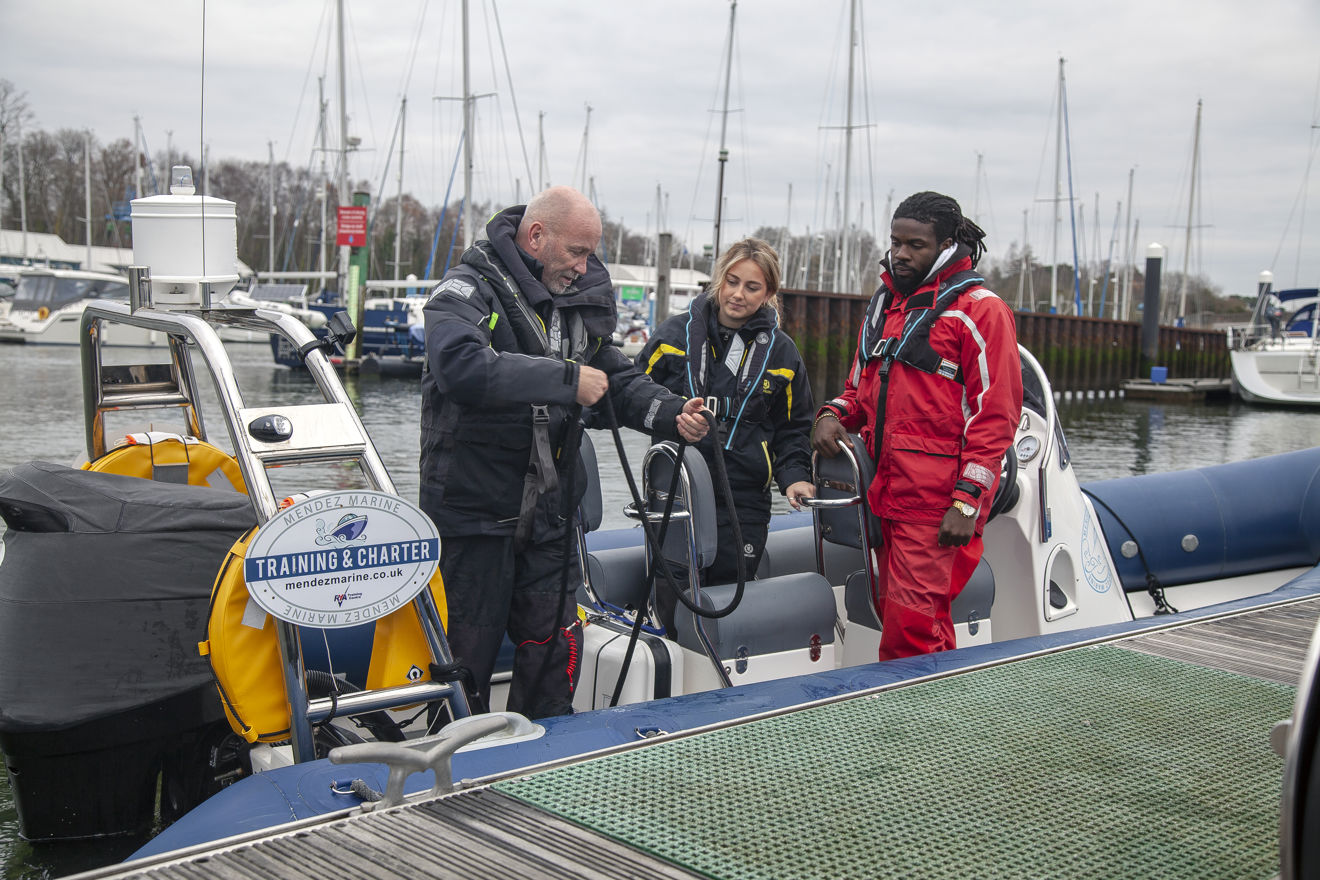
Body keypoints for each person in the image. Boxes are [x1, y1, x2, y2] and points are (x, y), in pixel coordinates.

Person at [418, 185, 709, 719]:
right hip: (475, 514)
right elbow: (459, 365)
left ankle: (545, 754)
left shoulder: (579, 303)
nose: (584, 265)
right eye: (577, 251)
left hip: (551, 513)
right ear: (536, 236)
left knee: (553, 650)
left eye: (590, 252)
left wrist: (671, 413)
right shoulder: (465, 289)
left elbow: (615, 379)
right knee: (464, 658)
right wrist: (566, 379)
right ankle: (457, 763)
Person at [812, 191, 1022, 661]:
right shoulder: (887, 304)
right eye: (896, 241)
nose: (901, 253)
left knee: (912, 629)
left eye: (916, 245)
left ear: (947, 245)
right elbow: (860, 387)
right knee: (906, 619)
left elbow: (996, 418)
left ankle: (907, 725)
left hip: (935, 504)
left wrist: (967, 505)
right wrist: (832, 414)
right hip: (885, 493)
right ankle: (935, 717)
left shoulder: (981, 311)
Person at [636, 238, 815, 635]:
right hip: (677, 492)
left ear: (768, 293)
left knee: (729, 598)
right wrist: (669, 417)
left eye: (752, 287)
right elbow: (632, 396)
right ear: (718, 280)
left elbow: (794, 427)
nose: (737, 294)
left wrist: (795, 476)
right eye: (731, 282)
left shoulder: (782, 354)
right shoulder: (671, 335)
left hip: (744, 499)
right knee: (671, 595)